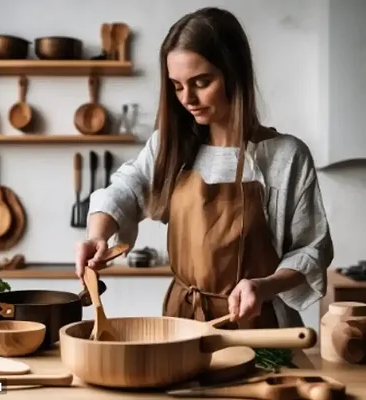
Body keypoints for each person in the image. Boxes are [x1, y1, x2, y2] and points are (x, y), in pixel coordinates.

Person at [75, 7, 333, 329]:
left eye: (201, 82)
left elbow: (311, 249)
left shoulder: (285, 156)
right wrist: (98, 235)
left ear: (234, 74)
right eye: (177, 85)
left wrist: (263, 286)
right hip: (181, 323)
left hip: (257, 325)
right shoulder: (170, 146)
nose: (188, 99)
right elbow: (127, 188)